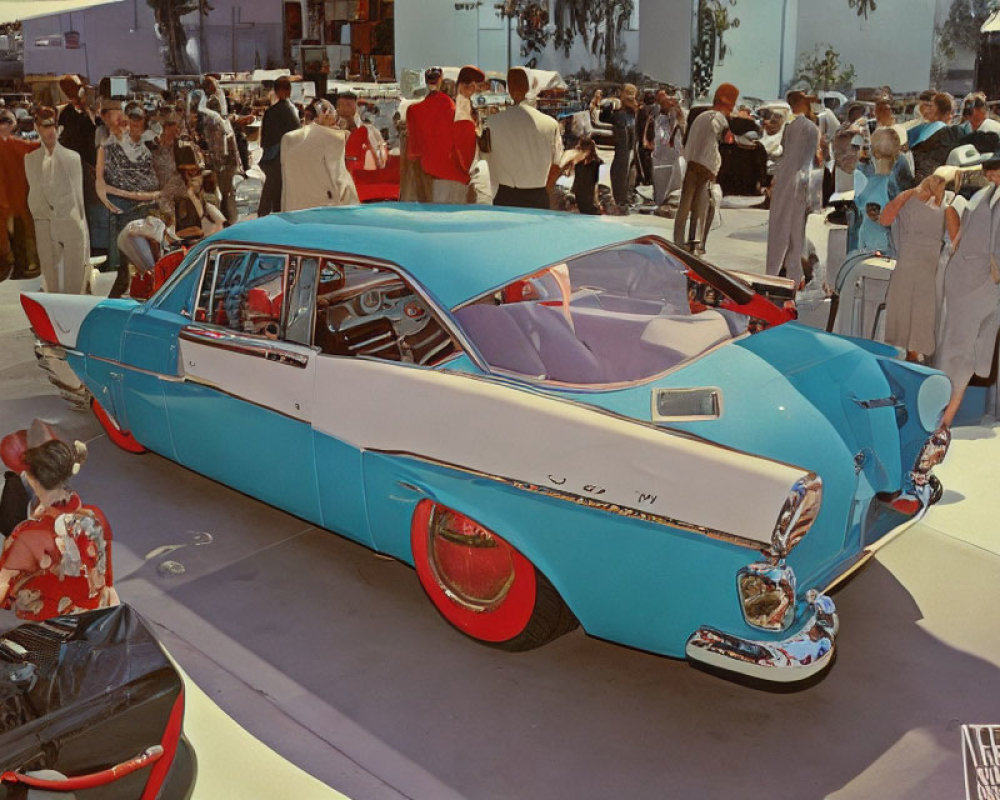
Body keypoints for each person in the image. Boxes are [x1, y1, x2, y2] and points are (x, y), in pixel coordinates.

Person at [0, 420, 118, 621]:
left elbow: (2, 589)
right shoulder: (94, 516)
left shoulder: (27, 535)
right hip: (91, 620)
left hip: (50, 630)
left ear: (30, 478)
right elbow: (106, 582)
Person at [934, 153, 1000, 429]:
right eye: (990, 171)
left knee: (961, 353)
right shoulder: (987, 193)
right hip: (967, 280)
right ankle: (940, 417)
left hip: (978, 283)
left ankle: (942, 419)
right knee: (955, 351)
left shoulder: (989, 195)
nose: (991, 176)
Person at [878, 174, 959, 362]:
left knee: (917, 322)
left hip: (924, 269)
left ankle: (913, 358)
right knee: (907, 321)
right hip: (912, 266)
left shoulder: (945, 207)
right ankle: (911, 358)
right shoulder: (912, 201)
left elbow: (956, 241)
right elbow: (885, 219)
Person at [24, 107, 90, 295]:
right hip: (44, 222)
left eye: (53, 125)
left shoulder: (72, 158)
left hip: (69, 221)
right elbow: (35, 192)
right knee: (51, 283)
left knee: (74, 285)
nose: (50, 131)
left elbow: (80, 200)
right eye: (45, 126)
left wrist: (84, 236)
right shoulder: (30, 160)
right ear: (37, 128)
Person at [96, 100, 161, 290]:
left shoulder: (151, 144)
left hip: (151, 206)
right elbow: (103, 181)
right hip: (126, 207)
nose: (134, 123)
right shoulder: (109, 148)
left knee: (152, 256)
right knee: (128, 260)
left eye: (138, 119)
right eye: (130, 119)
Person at [482, 66, 563, 209]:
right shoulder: (550, 124)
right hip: (538, 195)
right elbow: (557, 165)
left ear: (509, 88)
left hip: (506, 195)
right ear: (527, 87)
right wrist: (545, 190)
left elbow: (485, 158)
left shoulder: (492, 122)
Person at [673, 82, 738, 254]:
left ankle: (678, 242)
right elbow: (728, 139)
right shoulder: (720, 118)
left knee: (685, 205)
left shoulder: (699, 115)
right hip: (708, 166)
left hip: (692, 162)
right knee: (703, 207)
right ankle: (697, 244)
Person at [766, 90, 820, 283]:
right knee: (795, 230)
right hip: (799, 179)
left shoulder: (795, 126)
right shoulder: (806, 126)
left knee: (784, 228)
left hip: (791, 178)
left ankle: (781, 272)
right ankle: (792, 274)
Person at [280, 99, 359, 212]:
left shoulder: (289, 139)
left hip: (295, 207)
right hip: (325, 206)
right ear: (325, 116)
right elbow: (339, 178)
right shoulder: (333, 138)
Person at [406, 66, 471, 204]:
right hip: (453, 175)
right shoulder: (452, 108)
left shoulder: (414, 111)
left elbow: (413, 152)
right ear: (440, 80)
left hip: (429, 175)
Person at [0, 107, 39, 281]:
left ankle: (14, 265)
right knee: (18, 234)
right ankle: (19, 266)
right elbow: (34, 148)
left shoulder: (12, 143)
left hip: (9, 198)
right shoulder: (13, 144)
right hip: (14, 198)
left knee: (14, 234)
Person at [188, 89, 238, 224]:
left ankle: (226, 225)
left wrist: (214, 165)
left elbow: (219, 147)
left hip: (223, 163)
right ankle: (226, 223)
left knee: (223, 196)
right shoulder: (215, 118)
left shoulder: (211, 119)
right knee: (225, 195)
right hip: (226, 162)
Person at [257, 76, 301, 216]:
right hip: (279, 156)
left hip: (274, 155)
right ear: (287, 90)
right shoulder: (287, 109)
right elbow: (297, 133)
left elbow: (264, 139)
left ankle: (271, 216)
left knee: (275, 190)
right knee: (273, 189)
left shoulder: (275, 110)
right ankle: (265, 216)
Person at [174, 146, 225, 238]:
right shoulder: (181, 197)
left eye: (197, 172)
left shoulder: (206, 194)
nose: (194, 176)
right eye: (190, 172)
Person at [610, 83, 638, 212]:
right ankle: (621, 198)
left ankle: (621, 199)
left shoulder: (624, 115)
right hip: (625, 149)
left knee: (621, 173)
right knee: (622, 173)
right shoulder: (627, 114)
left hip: (624, 150)